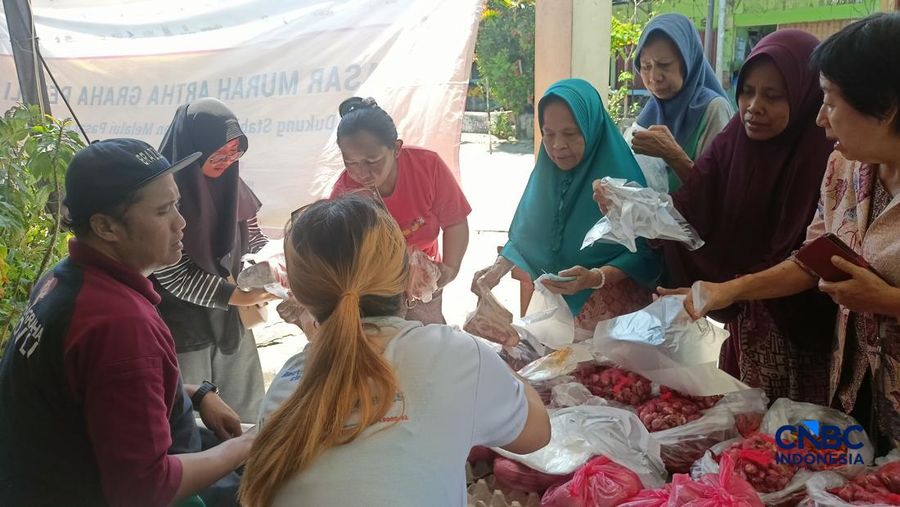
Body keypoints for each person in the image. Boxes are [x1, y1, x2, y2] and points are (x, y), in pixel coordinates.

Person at [666, 14, 900, 447]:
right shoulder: (844, 167)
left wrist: (885, 300)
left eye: (830, 102)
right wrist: (727, 291)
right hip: (855, 384)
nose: (820, 120)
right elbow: (811, 259)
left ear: (884, 108)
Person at [239, 195, 550, 506]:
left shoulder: (286, 384)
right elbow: (537, 433)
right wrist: (495, 354)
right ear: (408, 275)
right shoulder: (456, 357)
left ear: (299, 296)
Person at [0, 139, 254, 506]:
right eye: (164, 210)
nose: (181, 223)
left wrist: (195, 393)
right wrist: (248, 444)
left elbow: (94, 387)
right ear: (105, 227)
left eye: (177, 204)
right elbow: (145, 488)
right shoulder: (117, 323)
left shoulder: (64, 279)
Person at [605, 30, 836, 405]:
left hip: (801, 331)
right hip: (744, 325)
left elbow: (808, 259)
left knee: (796, 436)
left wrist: (726, 290)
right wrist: (633, 210)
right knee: (744, 434)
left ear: (807, 95)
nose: (753, 106)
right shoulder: (735, 142)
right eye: (747, 92)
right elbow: (694, 205)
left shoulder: (824, 160)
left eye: (773, 96)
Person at [473, 78, 662, 332]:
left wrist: (595, 277)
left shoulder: (622, 181)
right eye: (548, 134)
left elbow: (645, 252)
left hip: (613, 318)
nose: (557, 146)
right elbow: (528, 234)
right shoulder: (547, 176)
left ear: (591, 128)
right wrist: (497, 270)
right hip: (556, 312)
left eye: (570, 134)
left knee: (603, 373)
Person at [154, 98, 277, 422]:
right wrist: (234, 295)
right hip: (181, 325)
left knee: (246, 414)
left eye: (235, 153)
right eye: (218, 154)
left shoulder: (232, 184)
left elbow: (254, 238)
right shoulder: (162, 194)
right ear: (192, 148)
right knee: (188, 420)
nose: (227, 161)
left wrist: (263, 269)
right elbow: (171, 270)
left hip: (231, 319)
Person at [329, 97, 471, 325]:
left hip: (426, 274)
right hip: (376, 285)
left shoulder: (427, 167)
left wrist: (449, 270)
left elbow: (455, 222)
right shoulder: (345, 192)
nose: (362, 173)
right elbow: (342, 255)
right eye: (351, 163)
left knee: (429, 340)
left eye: (372, 160)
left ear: (396, 149)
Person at [627, 13, 734, 192]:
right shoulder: (650, 112)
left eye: (665, 64)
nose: (654, 77)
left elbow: (719, 193)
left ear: (687, 63)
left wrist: (672, 155)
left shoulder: (713, 110)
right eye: (646, 66)